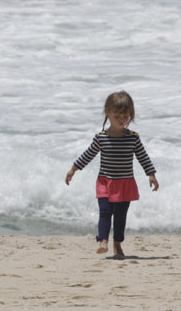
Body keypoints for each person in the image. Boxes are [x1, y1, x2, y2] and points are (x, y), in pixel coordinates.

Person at [65, 91, 159, 258]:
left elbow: (143, 157)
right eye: (117, 116)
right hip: (105, 182)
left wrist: (151, 174)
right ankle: (102, 240)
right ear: (107, 114)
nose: (122, 120)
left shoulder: (133, 138)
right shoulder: (101, 138)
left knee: (120, 216)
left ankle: (117, 243)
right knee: (105, 212)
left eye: (125, 116)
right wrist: (74, 169)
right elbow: (88, 154)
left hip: (125, 184)